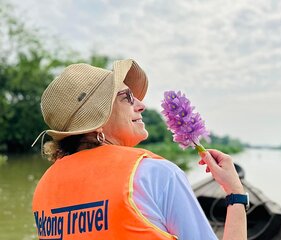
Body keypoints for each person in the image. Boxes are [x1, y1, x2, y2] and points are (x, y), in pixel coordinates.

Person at [32, 59, 247, 240]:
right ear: (98, 119)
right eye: (127, 97)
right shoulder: (156, 174)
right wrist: (235, 194)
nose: (141, 104)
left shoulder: (44, 188)